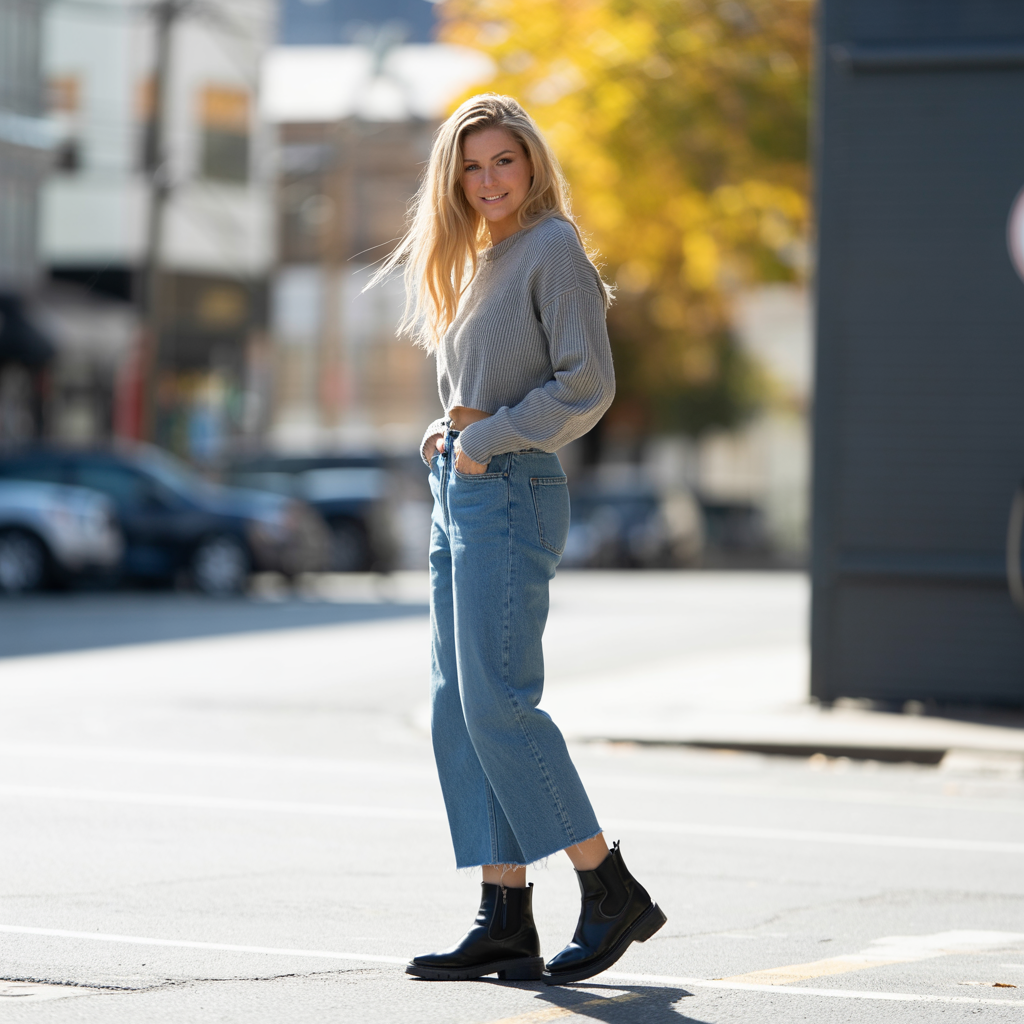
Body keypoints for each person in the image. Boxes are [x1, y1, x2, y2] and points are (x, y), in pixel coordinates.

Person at [371, 93, 665, 985]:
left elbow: (588, 386)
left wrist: (487, 439)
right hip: (460, 492)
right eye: (471, 166)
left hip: (510, 492)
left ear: (532, 164)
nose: (488, 179)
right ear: (452, 180)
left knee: (499, 702)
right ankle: (505, 916)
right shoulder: (478, 260)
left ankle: (608, 886)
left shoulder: (553, 248)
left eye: (503, 160)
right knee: (458, 709)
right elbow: (485, 388)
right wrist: (446, 431)